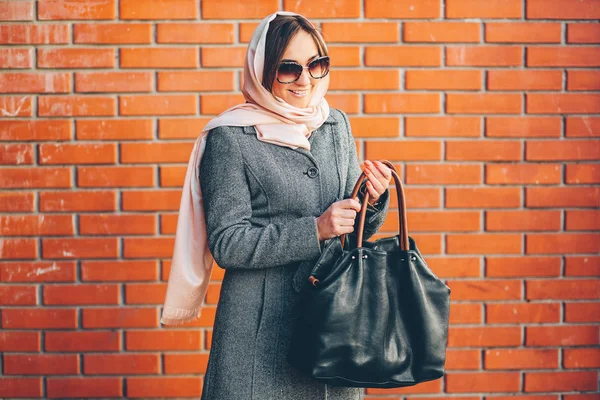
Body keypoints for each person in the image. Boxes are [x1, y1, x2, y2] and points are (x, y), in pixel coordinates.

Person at [161, 11, 392, 400]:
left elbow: (350, 230)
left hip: (334, 319)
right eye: (289, 69)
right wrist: (314, 229)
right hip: (261, 330)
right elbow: (228, 243)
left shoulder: (335, 124)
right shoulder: (230, 137)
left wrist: (373, 198)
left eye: (317, 64)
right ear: (263, 70)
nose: (306, 80)